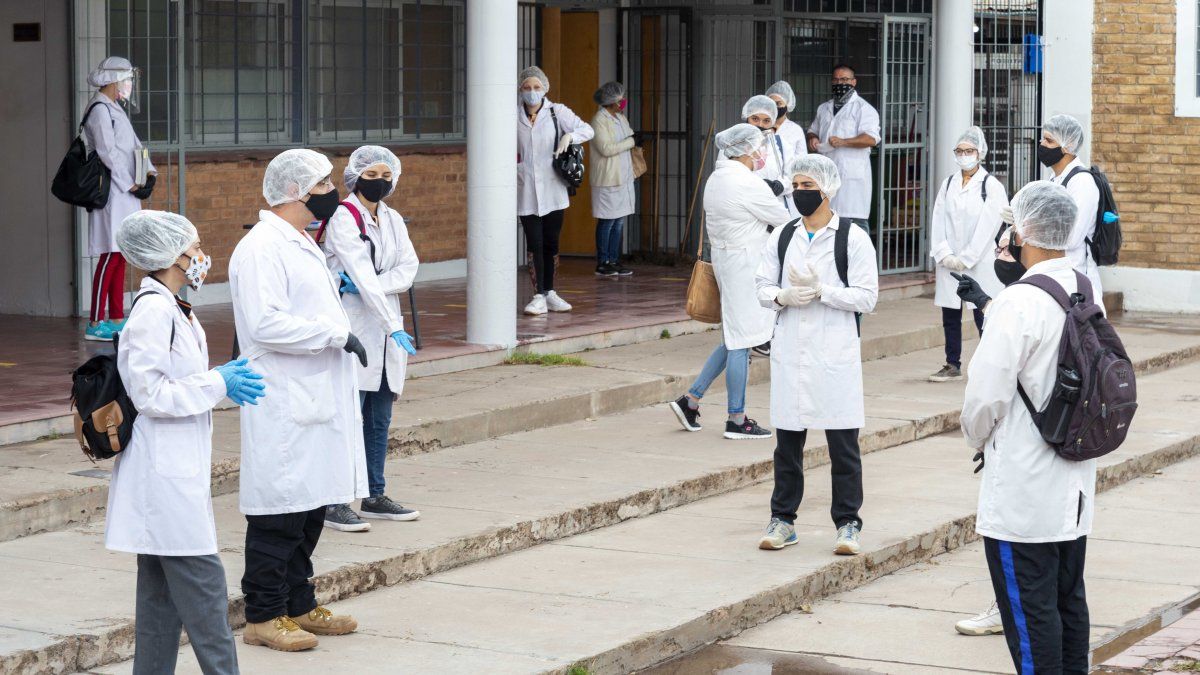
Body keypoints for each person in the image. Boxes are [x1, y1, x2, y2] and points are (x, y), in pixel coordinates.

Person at [110, 209, 266, 675]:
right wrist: (216, 383)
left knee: (159, 605)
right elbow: (151, 394)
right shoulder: (153, 313)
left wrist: (213, 381)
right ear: (171, 256)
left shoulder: (173, 307)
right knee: (206, 599)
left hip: (174, 473)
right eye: (193, 248)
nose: (200, 256)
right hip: (164, 482)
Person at [228, 148, 367, 652]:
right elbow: (265, 324)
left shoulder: (299, 241)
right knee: (279, 513)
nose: (332, 191)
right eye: (323, 184)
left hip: (312, 395)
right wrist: (333, 335)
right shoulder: (263, 247)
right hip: (284, 398)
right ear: (295, 192)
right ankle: (264, 615)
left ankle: (299, 603)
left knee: (309, 508)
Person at [960, 181, 1094, 675]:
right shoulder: (1082, 286)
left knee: (1029, 611)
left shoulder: (1019, 301)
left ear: (1025, 232)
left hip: (1022, 486)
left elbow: (984, 396)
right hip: (1074, 483)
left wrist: (976, 437)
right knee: (1067, 601)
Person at [754, 154, 879, 556]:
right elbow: (760, 283)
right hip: (792, 347)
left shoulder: (853, 238)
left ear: (827, 190)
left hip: (834, 351)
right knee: (787, 442)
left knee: (843, 444)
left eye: (808, 187)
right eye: (797, 186)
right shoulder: (783, 235)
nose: (800, 193)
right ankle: (783, 519)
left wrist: (824, 291)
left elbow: (867, 297)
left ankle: (847, 523)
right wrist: (781, 296)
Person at [321, 145, 421, 532]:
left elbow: (408, 268)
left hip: (383, 329)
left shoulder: (393, 218)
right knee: (348, 415)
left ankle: (374, 494)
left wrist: (371, 288)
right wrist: (382, 306)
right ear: (355, 176)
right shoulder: (344, 218)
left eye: (385, 176)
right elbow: (358, 273)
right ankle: (334, 500)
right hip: (355, 327)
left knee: (379, 417)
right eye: (371, 175)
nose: (378, 183)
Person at [668, 123, 789, 441]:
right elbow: (783, 220)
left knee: (735, 338)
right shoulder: (747, 183)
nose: (762, 152)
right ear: (747, 150)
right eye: (759, 146)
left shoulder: (717, 178)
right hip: (746, 268)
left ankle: (690, 401)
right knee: (741, 342)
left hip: (728, 265)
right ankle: (736, 419)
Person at [82, 56, 156, 341]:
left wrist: (149, 174)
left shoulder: (115, 108)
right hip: (112, 192)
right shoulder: (100, 108)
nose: (128, 85)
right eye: (125, 79)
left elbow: (134, 145)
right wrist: (129, 184)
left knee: (120, 252)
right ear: (112, 80)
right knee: (109, 255)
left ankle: (115, 317)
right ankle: (95, 320)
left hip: (126, 191)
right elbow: (107, 152)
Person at [928, 126, 1008, 383]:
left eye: (969, 150)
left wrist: (967, 258)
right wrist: (943, 253)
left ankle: (991, 364)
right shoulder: (949, 183)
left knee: (981, 310)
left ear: (980, 152)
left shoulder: (990, 186)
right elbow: (938, 219)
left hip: (978, 262)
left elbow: (989, 225)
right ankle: (953, 363)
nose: (964, 155)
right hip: (948, 260)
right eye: (960, 151)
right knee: (950, 313)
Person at [517, 65, 595, 315]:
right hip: (526, 188)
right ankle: (538, 294)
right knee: (535, 243)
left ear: (545, 88)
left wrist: (568, 138)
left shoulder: (556, 112)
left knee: (551, 243)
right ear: (520, 89)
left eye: (537, 87)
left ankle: (550, 292)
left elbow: (587, 129)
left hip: (554, 188)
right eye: (527, 87)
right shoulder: (512, 115)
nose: (532, 92)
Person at [805, 64, 880, 236]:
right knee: (826, 221)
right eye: (836, 80)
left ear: (853, 82)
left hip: (851, 177)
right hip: (826, 173)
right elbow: (812, 130)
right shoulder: (824, 108)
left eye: (845, 79)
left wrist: (844, 141)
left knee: (855, 224)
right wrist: (813, 139)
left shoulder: (863, 109)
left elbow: (871, 138)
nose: (840, 83)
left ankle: (862, 260)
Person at [1036, 114, 1103, 298]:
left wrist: (1035, 229)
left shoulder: (1082, 182)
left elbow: (1072, 238)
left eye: (1049, 141)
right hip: (1057, 275)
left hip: (1078, 279)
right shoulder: (1054, 179)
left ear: (1068, 146)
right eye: (1043, 139)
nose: (1042, 145)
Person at [589, 81, 638, 277]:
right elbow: (606, 149)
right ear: (611, 102)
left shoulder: (620, 118)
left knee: (619, 221)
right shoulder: (598, 120)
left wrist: (632, 140)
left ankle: (615, 260)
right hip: (607, 178)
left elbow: (628, 137)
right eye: (620, 100)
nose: (622, 103)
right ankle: (603, 262)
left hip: (623, 176)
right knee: (607, 221)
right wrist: (632, 141)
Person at [765, 80, 809, 218]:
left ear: (787, 105)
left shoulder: (795, 130)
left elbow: (801, 161)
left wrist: (787, 182)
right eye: (772, 104)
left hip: (789, 188)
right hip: (765, 184)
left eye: (779, 104)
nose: (776, 107)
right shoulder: (762, 126)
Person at [741, 95, 787, 200]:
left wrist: (781, 185)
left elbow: (793, 176)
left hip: (773, 207)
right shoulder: (733, 143)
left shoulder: (781, 144)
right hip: (743, 206)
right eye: (755, 119)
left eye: (766, 121)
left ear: (773, 122)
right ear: (747, 118)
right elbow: (724, 175)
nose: (760, 124)